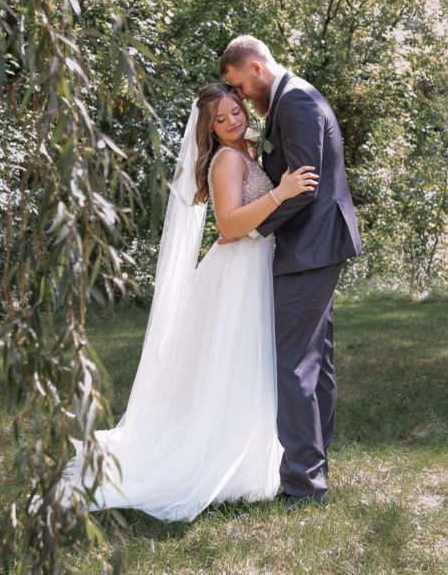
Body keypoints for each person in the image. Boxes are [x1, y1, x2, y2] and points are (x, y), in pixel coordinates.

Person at [53, 83, 318, 521]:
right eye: (222, 118)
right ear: (209, 130)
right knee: (234, 363)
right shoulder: (227, 160)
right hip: (237, 269)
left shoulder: (247, 152)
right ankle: (223, 458)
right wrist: (281, 193)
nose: (234, 120)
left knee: (248, 363)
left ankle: (253, 454)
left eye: (236, 110)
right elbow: (229, 225)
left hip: (253, 267)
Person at [220, 35, 361, 508]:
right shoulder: (291, 97)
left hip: (310, 246)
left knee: (294, 364)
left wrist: (252, 230)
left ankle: (303, 485)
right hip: (318, 245)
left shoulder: (295, 101)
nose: (241, 98)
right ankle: (313, 468)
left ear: (257, 68)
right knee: (315, 360)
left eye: (240, 85)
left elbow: (302, 187)